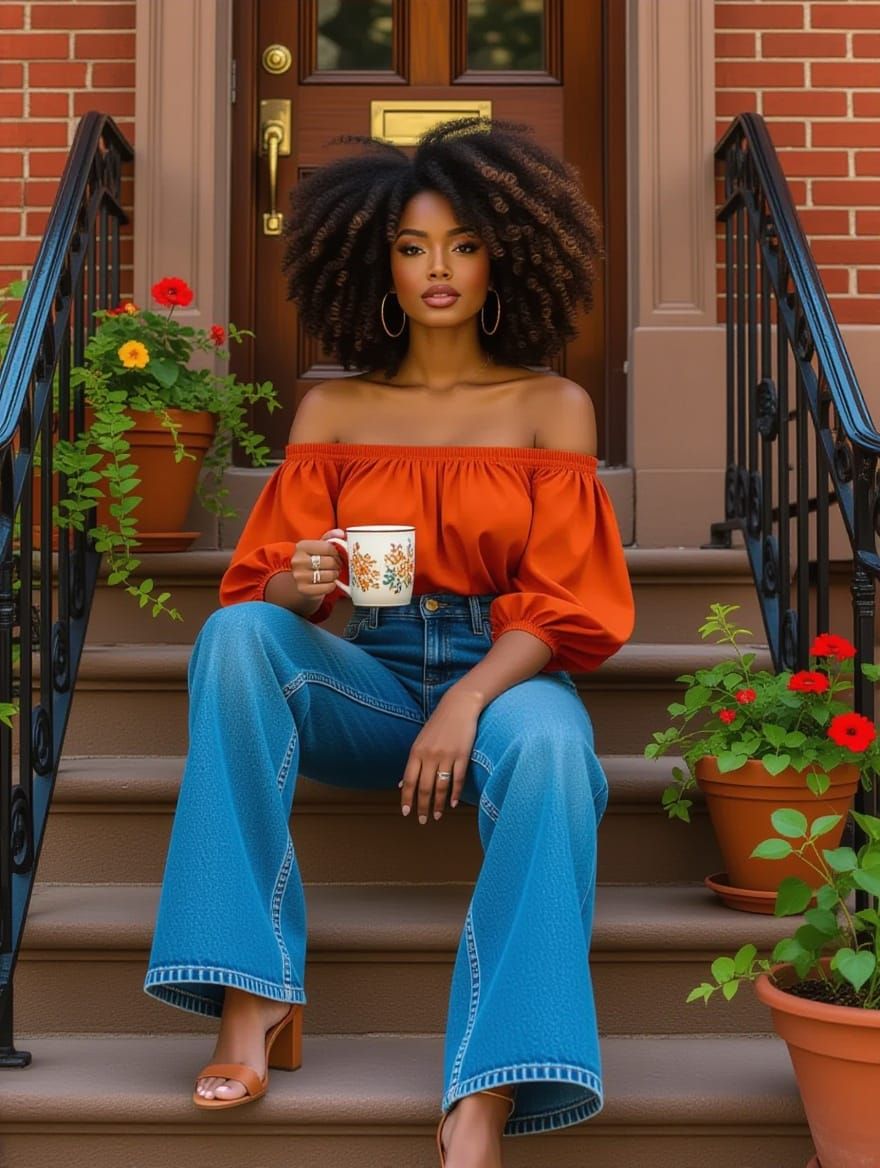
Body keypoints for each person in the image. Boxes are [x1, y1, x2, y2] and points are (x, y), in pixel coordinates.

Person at [143, 117, 635, 1168]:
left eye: (462, 244)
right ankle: (252, 996)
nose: (438, 269)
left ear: (504, 257)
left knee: (555, 752)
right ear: (381, 266)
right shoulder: (334, 408)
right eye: (413, 248)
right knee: (236, 635)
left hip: (505, 668)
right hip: (366, 667)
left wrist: (467, 699)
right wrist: (305, 577)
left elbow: (563, 602)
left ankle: (489, 1089)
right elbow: (269, 586)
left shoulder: (552, 406)